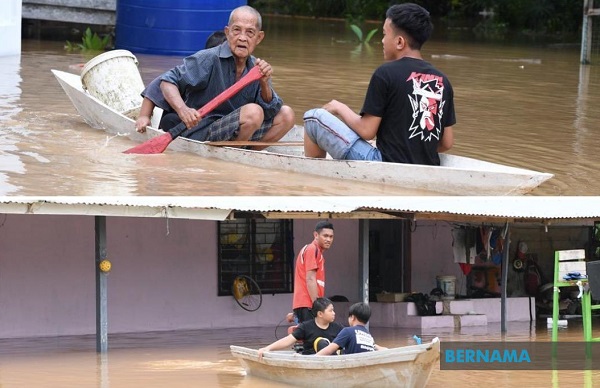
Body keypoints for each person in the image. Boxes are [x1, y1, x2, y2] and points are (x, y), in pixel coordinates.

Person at [303, 3, 455, 166]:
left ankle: (314, 178)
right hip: (428, 166)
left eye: (384, 34)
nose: (382, 41)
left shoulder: (385, 73)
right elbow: (446, 143)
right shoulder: (442, 80)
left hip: (385, 164)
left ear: (399, 42)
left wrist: (340, 107)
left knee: (313, 118)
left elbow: (367, 131)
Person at [136, 5, 295, 150]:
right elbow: (167, 82)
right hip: (203, 129)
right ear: (227, 32)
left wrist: (264, 84)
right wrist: (183, 111)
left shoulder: (257, 67)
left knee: (287, 114)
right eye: (237, 30)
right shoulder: (209, 58)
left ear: (259, 38)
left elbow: (271, 112)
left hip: (240, 130)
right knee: (254, 112)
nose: (242, 38)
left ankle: (248, 153)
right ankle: (236, 152)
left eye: (249, 32)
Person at [135, 31, 227, 133]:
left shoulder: (236, 73)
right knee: (169, 120)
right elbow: (157, 86)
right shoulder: (197, 68)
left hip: (211, 123)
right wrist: (144, 116)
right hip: (186, 120)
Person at [258, 298, 343, 358]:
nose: (334, 313)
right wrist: (267, 348)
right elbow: (288, 340)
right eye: (331, 310)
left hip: (333, 359)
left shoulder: (338, 328)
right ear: (320, 314)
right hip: (311, 360)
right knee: (320, 342)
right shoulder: (306, 326)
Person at [292, 221, 334, 324]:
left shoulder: (315, 251)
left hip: (306, 305)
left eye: (331, 236)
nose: (328, 239)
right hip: (309, 305)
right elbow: (310, 279)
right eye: (325, 236)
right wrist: (317, 306)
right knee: (313, 338)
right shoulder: (312, 249)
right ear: (316, 235)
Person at [315, 302, 386, 355]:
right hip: (363, 365)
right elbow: (378, 348)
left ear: (353, 318)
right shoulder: (369, 336)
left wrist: (313, 358)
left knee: (320, 342)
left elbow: (329, 350)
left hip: (349, 365)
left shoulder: (347, 331)